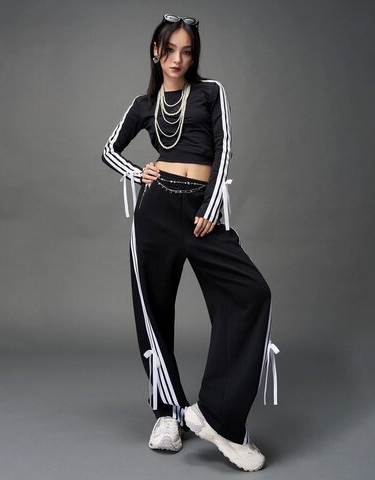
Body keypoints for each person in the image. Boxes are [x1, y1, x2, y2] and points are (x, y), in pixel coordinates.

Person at [101, 13, 280, 472]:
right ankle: (167, 414)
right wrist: (138, 172)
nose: (178, 59)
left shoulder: (211, 92)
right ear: (156, 51)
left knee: (251, 294)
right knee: (154, 313)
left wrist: (211, 205)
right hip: (156, 211)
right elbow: (109, 149)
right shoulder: (144, 104)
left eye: (187, 51)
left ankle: (217, 416)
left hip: (201, 213)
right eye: (170, 50)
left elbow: (224, 149)